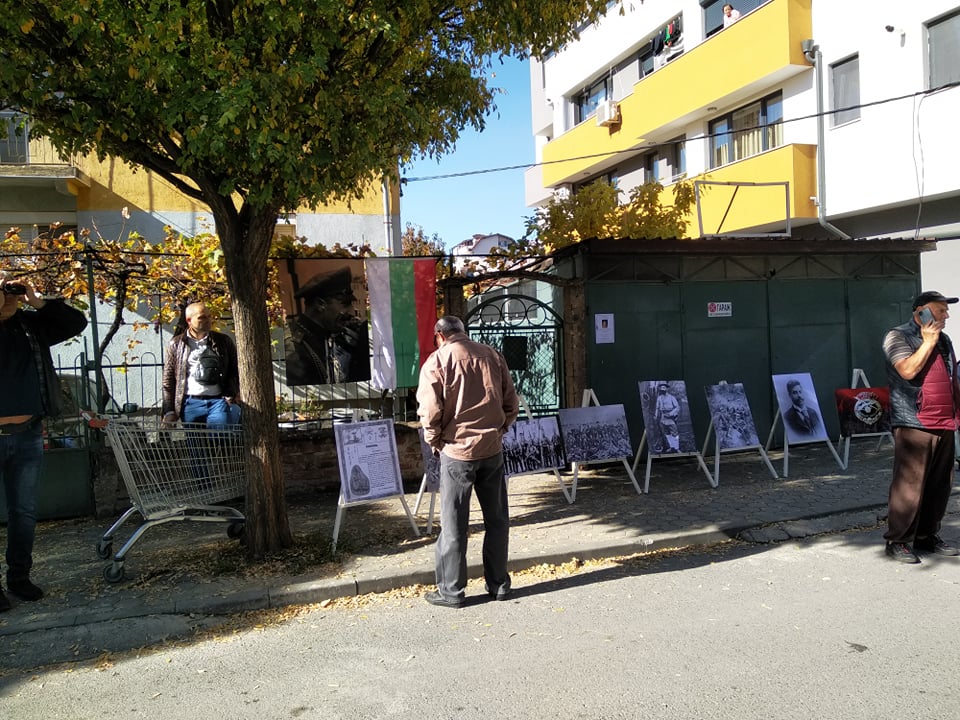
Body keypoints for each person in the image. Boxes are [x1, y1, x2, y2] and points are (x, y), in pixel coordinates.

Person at [416, 316, 519, 608]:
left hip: (457, 452)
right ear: (463, 332)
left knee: (454, 524)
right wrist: (500, 429)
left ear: (440, 335)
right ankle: (499, 584)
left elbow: (430, 411)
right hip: (492, 450)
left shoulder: (437, 361)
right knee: (497, 520)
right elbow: (511, 402)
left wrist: (435, 441)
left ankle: (452, 591)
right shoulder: (492, 355)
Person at [0, 276, 87, 611]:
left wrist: (36, 300)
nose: (7, 296)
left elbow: (76, 323)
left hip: (27, 434)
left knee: (23, 512)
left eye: (9, 291)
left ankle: (19, 578)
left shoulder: (31, 326)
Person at [881, 290, 960, 563]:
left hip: (945, 421)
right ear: (921, 312)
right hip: (915, 422)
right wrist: (927, 342)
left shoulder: (944, 339)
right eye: (941, 310)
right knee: (909, 485)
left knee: (940, 485)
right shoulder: (898, 336)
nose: (946, 315)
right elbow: (907, 370)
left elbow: (951, 377)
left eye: (946, 310)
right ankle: (898, 541)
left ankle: (926, 535)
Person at [284, 266, 369, 386]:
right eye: (345, 304)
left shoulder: (330, 336)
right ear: (320, 304)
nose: (351, 312)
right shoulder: (294, 347)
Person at [162, 302, 240, 428]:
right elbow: (168, 380)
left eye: (209, 316)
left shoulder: (223, 341)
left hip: (218, 401)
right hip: (190, 404)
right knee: (196, 440)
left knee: (221, 437)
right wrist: (169, 411)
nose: (208, 320)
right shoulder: (176, 344)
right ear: (189, 320)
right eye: (202, 317)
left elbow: (235, 369)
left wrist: (235, 392)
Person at [654, 383, 681, 453]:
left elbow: (677, 407)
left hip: (671, 417)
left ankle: (677, 448)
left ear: (666, 389)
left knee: (675, 433)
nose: (662, 389)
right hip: (663, 418)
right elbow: (657, 408)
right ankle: (672, 447)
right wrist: (656, 415)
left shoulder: (672, 397)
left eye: (664, 387)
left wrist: (671, 414)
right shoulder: (659, 398)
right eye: (661, 388)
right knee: (667, 433)